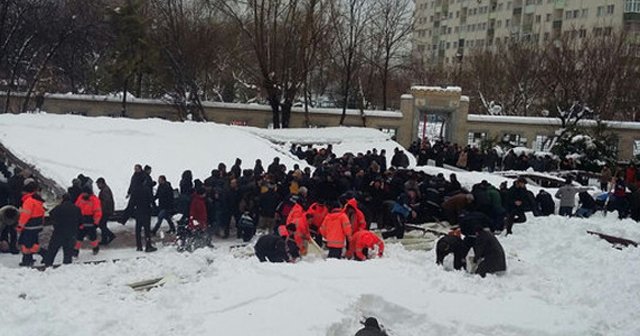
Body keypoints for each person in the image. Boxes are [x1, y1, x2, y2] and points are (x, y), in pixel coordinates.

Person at [44, 194, 82, 266]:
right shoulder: (76, 208)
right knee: (68, 251)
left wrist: (55, 223)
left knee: (52, 250)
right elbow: (81, 221)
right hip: (71, 233)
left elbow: (51, 216)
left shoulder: (58, 208)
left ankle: (48, 264)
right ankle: (66, 265)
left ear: (63, 199)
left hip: (59, 232)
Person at [17, 181, 46, 266]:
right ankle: (28, 259)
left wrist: (20, 226)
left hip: (30, 226)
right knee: (30, 243)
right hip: (37, 225)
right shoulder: (37, 200)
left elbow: (25, 215)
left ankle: (45, 254)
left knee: (27, 244)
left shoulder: (28, 201)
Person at [74, 186, 102, 255]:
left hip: (90, 220)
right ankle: (75, 250)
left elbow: (97, 212)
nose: (83, 194)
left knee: (92, 237)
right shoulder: (80, 197)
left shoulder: (94, 200)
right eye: (83, 193)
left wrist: (96, 222)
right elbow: (76, 208)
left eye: (85, 193)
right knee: (79, 237)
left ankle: (95, 247)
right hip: (81, 220)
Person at [96, 177, 116, 245]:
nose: (97, 186)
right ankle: (104, 239)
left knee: (101, 224)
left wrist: (101, 210)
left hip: (105, 211)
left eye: (98, 184)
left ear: (101, 183)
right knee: (103, 224)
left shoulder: (105, 191)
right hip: (106, 210)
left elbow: (105, 202)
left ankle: (110, 235)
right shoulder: (105, 189)